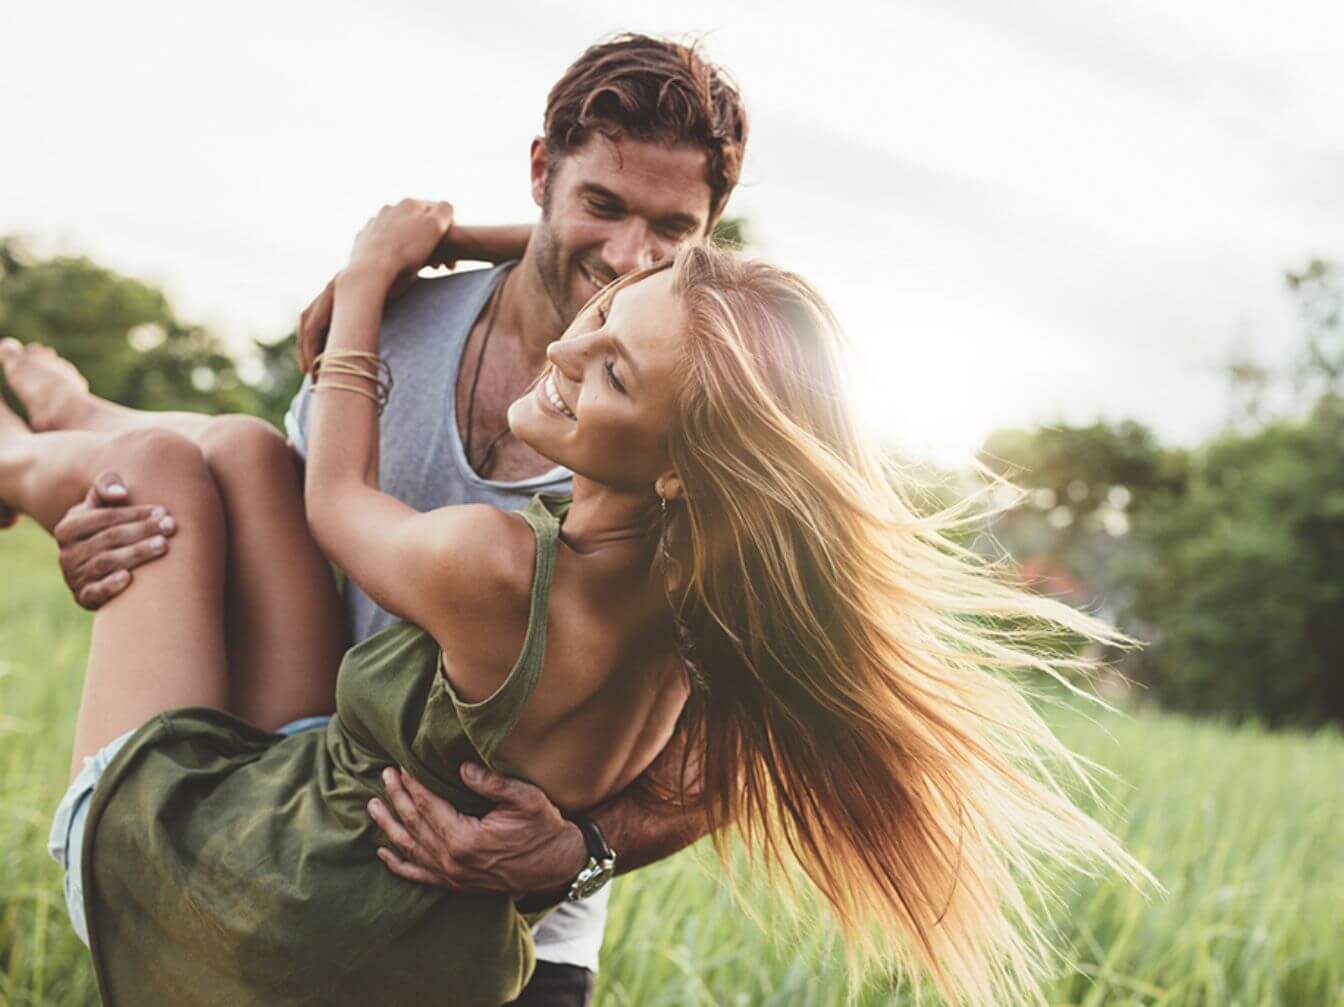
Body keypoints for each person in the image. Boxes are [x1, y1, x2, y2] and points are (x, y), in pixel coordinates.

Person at [2, 202, 1145, 1005]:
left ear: (682, 461)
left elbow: (337, 500)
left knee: (158, 471)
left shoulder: (494, 565)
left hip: (263, 905)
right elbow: (709, 317)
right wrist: (497, 245)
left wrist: (365, 283)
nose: (567, 344)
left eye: (610, 371)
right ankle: (68, 408)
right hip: (387, 899)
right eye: (606, 310)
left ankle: (16, 462)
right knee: (249, 454)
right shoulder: (716, 615)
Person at [24, 32, 751, 1007]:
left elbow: (753, 748)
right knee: (225, 452)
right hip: (306, 769)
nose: (632, 256)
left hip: (487, 919)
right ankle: (73, 426)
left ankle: (58, 436)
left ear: (708, 236)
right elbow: (264, 505)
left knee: (165, 465)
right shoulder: (404, 329)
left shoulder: (686, 454)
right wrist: (112, 534)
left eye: (674, 229)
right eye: (602, 204)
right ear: (542, 171)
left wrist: (579, 850)